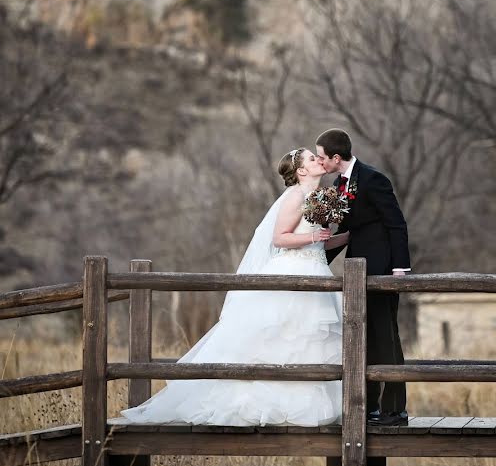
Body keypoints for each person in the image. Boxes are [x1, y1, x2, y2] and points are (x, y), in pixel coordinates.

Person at [120, 148, 350, 426]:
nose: (318, 160)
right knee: (283, 338)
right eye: (312, 159)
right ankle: (265, 402)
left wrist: (348, 237)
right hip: (293, 272)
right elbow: (280, 238)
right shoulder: (295, 196)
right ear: (301, 171)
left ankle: (307, 405)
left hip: (316, 271)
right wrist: (315, 235)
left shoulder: (317, 198)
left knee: (310, 341)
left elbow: (318, 242)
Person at [316, 128, 410, 427]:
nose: (320, 162)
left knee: (386, 337)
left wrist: (400, 269)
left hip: (381, 269)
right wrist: (314, 261)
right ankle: (369, 406)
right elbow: (344, 232)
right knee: (363, 338)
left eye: (321, 157)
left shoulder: (373, 179)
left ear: (335, 157)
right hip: (357, 270)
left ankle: (394, 410)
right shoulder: (338, 183)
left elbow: (396, 224)